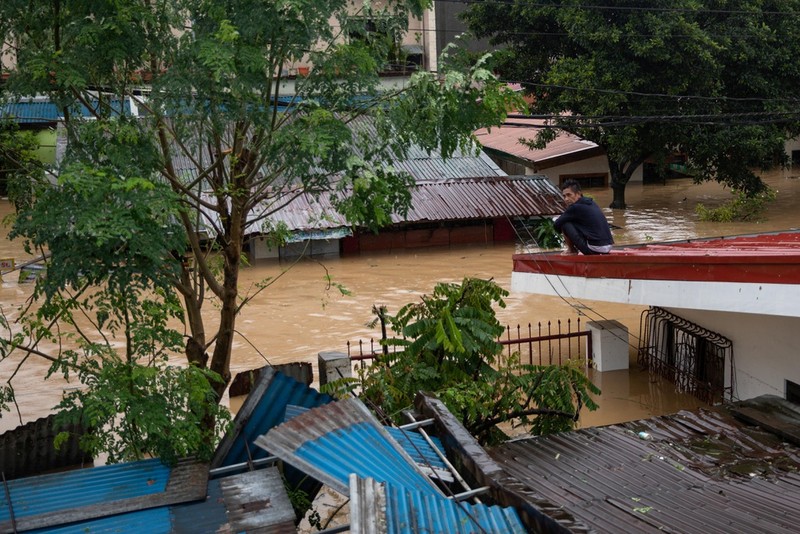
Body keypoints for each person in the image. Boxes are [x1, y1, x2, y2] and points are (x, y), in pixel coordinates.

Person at [554, 179, 614, 254]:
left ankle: (571, 250)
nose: (566, 199)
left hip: (594, 249)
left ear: (578, 194)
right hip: (608, 246)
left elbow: (556, 224)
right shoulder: (591, 202)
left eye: (569, 195)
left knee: (565, 223)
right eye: (564, 196)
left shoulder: (575, 207)